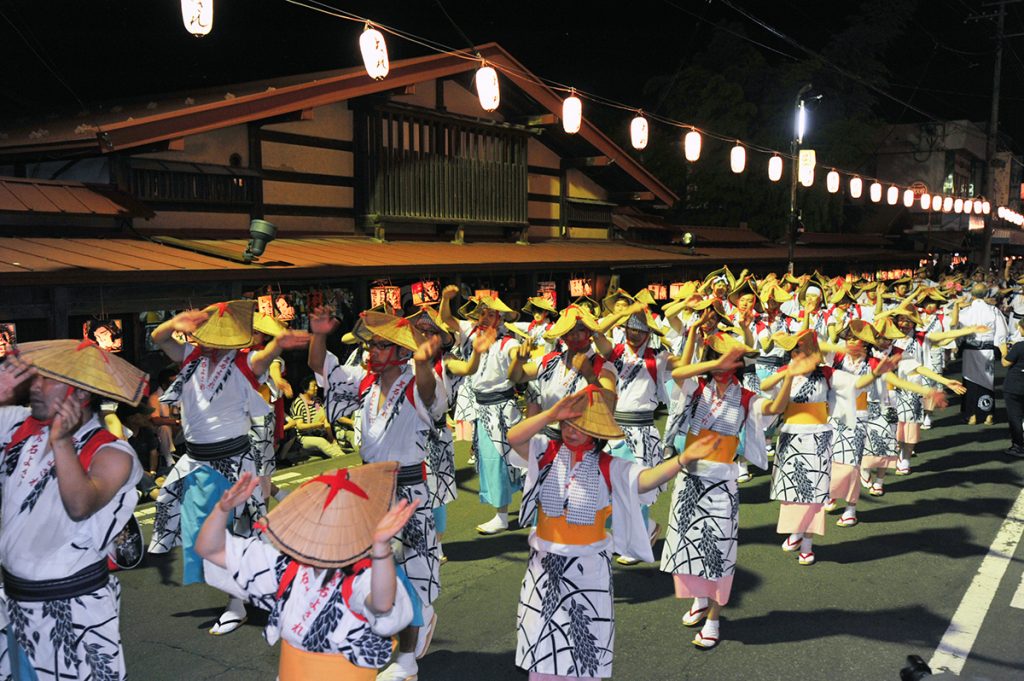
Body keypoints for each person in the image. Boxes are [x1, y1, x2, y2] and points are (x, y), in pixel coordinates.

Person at [507, 386, 722, 679]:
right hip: (543, 566)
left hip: (588, 569)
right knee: (543, 640)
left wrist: (682, 460)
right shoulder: (545, 450)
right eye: (567, 424)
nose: (571, 432)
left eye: (580, 427)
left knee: (584, 646)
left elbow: (645, 480)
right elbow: (513, 437)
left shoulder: (609, 466)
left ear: (596, 433)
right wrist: (550, 414)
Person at [148, 300, 309, 636]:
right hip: (195, 462)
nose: (209, 343)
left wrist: (278, 341)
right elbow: (161, 338)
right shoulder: (190, 359)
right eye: (205, 337)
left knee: (240, 535)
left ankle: (240, 604)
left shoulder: (244, 362)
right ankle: (263, 588)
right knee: (205, 538)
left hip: (234, 462)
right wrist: (176, 320)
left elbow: (265, 356)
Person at [309, 307, 444, 681]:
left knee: (411, 575)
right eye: (371, 344)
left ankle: (407, 662)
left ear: (402, 352)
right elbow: (323, 369)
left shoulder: (418, 381)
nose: (371, 350)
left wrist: (422, 363)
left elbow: (430, 392)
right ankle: (389, 639)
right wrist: (318, 334)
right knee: (373, 574)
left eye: (382, 345)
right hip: (371, 491)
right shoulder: (365, 382)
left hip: (409, 492)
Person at [0, 339, 147, 680]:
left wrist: (62, 442)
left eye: (47, 380)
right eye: (35, 377)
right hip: (14, 601)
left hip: (75, 608)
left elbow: (80, 505)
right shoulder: (16, 424)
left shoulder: (113, 453)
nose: (34, 387)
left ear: (80, 394)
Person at [196, 464, 419, 681]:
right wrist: (222, 510)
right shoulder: (285, 568)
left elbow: (381, 605)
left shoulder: (361, 576)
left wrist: (381, 550)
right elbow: (210, 549)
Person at [661, 333, 804, 648]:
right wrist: (712, 363)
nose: (723, 366)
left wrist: (790, 376)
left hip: (722, 480)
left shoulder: (744, 397)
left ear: (739, 364)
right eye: (717, 357)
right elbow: (676, 374)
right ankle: (699, 598)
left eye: (729, 360)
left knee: (719, 551)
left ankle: (713, 618)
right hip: (690, 477)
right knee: (689, 543)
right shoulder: (697, 388)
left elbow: (775, 407)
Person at [956, 283, 1008, 425]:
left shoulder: (965, 312)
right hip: (987, 350)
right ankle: (988, 415)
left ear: (972, 294)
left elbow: (957, 332)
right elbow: (1001, 333)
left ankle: (972, 415)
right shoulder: (993, 311)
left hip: (970, 350)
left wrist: (956, 346)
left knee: (970, 381)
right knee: (987, 381)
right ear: (986, 295)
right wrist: (1003, 352)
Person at [286, 376, 345, 460]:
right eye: (314, 386)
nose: (316, 388)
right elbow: (300, 426)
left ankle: (342, 457)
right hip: (304, 437)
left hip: (319, 433)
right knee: (321, 442)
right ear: (306, 389)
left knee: (333, 444)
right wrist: (316, 425)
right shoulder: (298, 403)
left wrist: (331, 437)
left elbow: (324, 418)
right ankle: (342, 458)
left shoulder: (317, 401)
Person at [1001, 317, 1024, 458]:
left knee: (1015, 416)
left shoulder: (1019, 346)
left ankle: (1018, 446)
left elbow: (1005, 363)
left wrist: (1004, 351)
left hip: (1015, 386)